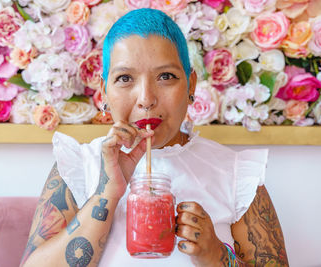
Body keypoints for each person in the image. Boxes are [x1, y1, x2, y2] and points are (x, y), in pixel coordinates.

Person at [20, 8, 288, 267]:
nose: (147, 99)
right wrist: (107, 193)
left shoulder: (236, 173)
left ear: (190, 85)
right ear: (103, 92)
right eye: (125, 78)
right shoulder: (78, 165)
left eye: (166, 76)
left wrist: (216, 256)